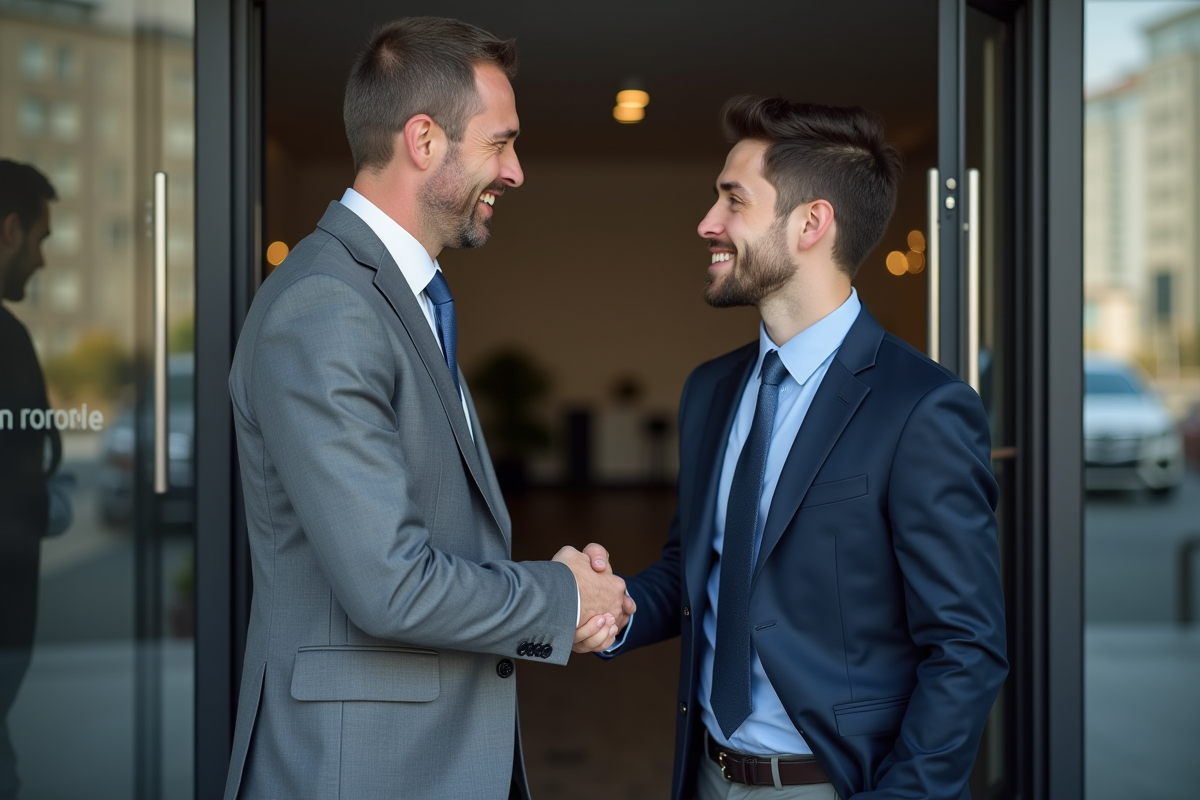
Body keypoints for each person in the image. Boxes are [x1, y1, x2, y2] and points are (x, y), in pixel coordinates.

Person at [223, 17, 632, 800]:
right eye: (500, 143)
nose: (516, 172)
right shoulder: (325, 307)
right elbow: (390, 584)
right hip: (360, 772)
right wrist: (563, 597)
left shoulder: (396, 298)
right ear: (423, 140)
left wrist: (557, 592)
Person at [593, 97, 1008, 800]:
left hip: (836, 786)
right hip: (705, 774)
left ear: (811, 223)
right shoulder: (709, 390)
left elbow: (966, 648)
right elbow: (694, 571)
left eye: (733, 200)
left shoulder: (923, 408)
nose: (708, 222)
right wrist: (608, 610)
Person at [0, 159, 57, 800]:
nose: (41, 260)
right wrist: (48, 505)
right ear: (10, 229)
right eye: (40, 239)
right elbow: (22, 479)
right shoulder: (6, 342)